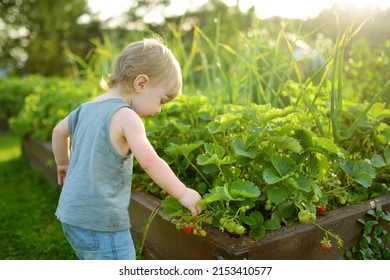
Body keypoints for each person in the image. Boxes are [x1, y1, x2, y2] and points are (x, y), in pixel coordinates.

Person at [51, 38, 202, 260]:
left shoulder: (86, 108)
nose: (159, 110)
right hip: (101, 223)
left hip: (71, 216)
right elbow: (151, 162)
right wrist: (183, 192)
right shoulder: (126, 116)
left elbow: (58, 132)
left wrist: (63, 164)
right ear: (141, 83)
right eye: (162, 100)